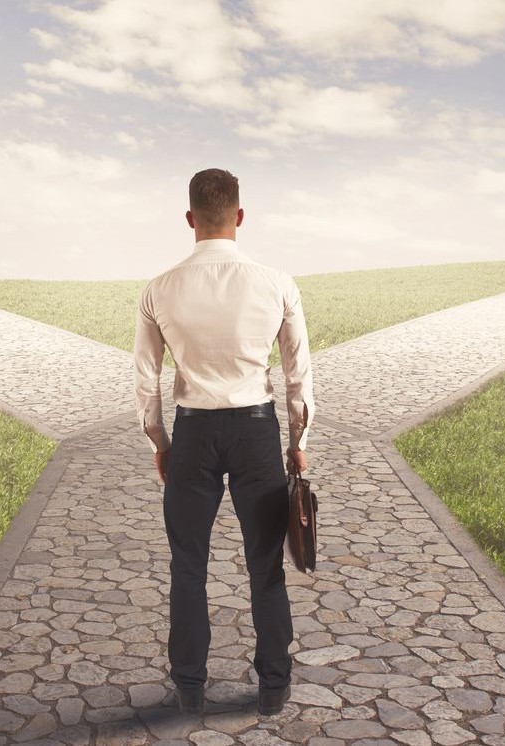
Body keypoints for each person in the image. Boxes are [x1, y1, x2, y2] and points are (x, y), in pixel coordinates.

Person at [133, 167, 316, 718]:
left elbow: (146, 380)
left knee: (187, 564)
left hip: (193, 432)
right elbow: (296, 373)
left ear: (190, 219)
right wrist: (298, 441)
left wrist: (161, 443)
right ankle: (273, 688)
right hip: (255, 430)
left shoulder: (158, 289)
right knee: (266, 565)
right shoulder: (277, 283)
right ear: (239, 216)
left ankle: (189, 685)